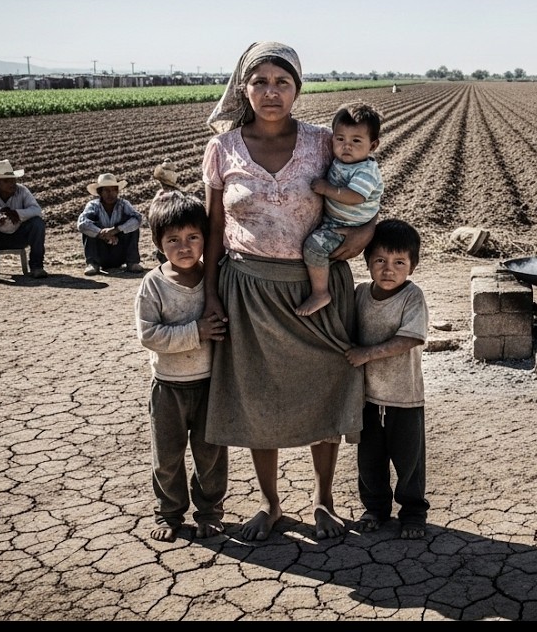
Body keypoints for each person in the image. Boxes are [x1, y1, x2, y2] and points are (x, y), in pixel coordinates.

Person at [200, 40, 376, 542]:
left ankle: (323, 500)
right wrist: (211, 295)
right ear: (243, 89)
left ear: (298, 89)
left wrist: (365, 233)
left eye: (282, 82)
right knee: (259, 397)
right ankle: (270, 503)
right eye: (260, 82)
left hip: (316, 289)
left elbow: (366, 196)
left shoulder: (323, 141)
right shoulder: (223, 148)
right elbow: (214, 229)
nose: (271, 92)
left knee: (326, 388)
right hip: (249, 290)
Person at [134, 190, 229, 542]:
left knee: (211, 455)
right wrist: (196, 332)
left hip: (209, 385)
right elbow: (149, 335)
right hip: (168, 387)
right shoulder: (153, 285)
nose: (185, 247)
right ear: (158, 243)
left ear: (206, 239)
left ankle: (210, 512)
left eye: (193, 237)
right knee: (167, 457)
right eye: (173, 240)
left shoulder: (214, 280)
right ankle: (169, 513)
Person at [345, 219, 430, 540]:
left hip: (404, 396)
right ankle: (375, 508)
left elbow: (410, 338)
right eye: (380, 260)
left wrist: (366, 354)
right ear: (367, 261)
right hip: (366, 397)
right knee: (369, 459)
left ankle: (413, 513)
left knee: (409, 460)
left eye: (399, 262)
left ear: (412, 266)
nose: (388, 269)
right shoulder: (360, 294)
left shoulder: (412, 297)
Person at [296, 101, 384, 316]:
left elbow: (355, 196)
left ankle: (320, 292)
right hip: (336, 220)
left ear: (373, 146)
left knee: (314, 247)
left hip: (347, 226)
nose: (347, 146)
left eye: (356, 141)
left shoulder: (365, 170)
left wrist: (328, 189)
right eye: (340, 139)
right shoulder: (343, 161)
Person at [0, 158, 48, 282]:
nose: (12, 184)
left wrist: (16, 213)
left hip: (19, 237)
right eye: (6, 181)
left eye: (13, 180)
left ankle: (37, 267)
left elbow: (37, 210)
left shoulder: (22, 191)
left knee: (37, 223)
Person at [78, 172, 145, 276]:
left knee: (132, 226)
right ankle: (93, 264)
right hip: (101, 252)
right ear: (100, 192)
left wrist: (115, 230)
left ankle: (132, 262)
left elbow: (138, 219)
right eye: (106, 190)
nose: (111, 194)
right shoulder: (93, 206)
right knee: (89, 229)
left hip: (119, 250)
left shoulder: (123, 204)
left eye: (114, 190)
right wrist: (101, 233)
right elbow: (82, 223)